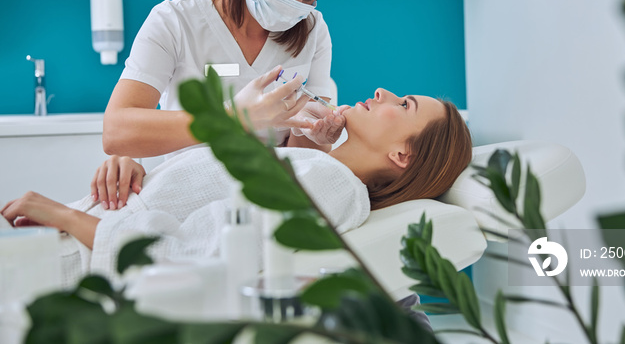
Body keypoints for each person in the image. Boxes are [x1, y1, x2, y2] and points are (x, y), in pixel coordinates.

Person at [2, 77, 472, 286]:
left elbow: (184, 256)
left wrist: (60, 214)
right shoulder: (320, 169)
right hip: (66, 244)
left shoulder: (334, 187)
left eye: (404, 104)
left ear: (402, 155)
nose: (382, 92)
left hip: (71, 265)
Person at [102, 0, 346, 159]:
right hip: (191, 187)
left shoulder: (313, 29)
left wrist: (315, 135)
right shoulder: (174, 21)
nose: (293, 8)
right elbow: (116, 133)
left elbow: (307, 158)